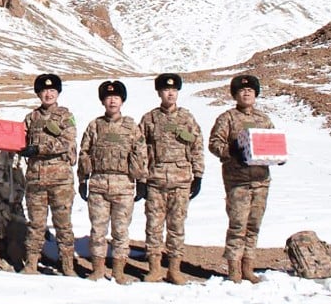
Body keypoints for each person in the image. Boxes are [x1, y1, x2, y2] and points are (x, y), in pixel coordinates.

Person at [208, 74, 277, 283]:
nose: (246, 93)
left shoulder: (264, 119)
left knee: (254, 225)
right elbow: (214, 143)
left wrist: (277, 156)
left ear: (255, 94)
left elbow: (273, 141)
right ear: (235, 95)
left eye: (250, 90)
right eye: (242, 91)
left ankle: (248, 266)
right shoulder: (227, 118)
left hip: (261, 180)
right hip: (238, 181)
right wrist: (232, 150)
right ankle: (234, 269)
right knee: (238, 225)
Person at [137, 73, 204, 285]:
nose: (170, 93)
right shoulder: (149, 119)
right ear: (159, 92)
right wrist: (141, 179)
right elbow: (140, 150)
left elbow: (197, 146)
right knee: (154, 227)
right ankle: (155, 268)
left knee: (177, 227)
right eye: (166, 90)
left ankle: (174, 269)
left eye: (174, 90)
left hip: (181, 181)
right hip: (155, 181)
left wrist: (198, 175)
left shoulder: (187, 118)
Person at [77, 80, 147, 283]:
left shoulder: (131, 126)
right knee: (98, 230)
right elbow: (84, 153)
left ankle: (118, 271)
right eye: (108, 97)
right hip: (98, 184)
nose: (112, 100)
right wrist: (83, 180)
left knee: (121, 231)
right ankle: (98, 270)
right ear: (103, 101)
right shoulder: (94, 126)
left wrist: (141, 180)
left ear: (122, 100)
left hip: (124, 185)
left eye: (116, 97)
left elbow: (141, 153)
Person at [19, 73, 78, 276]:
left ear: (58, 92)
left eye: (52, 90)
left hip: (60, 180)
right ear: (38, 93)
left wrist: (39, 149)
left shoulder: (65, 116)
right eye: (44, 91)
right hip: (36, 179)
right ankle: (32, 263)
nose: (48, 94)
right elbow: (19, 141)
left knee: (63, 225)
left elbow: (67, 142)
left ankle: (68, 265)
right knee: (35, 224)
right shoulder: (31, 118)